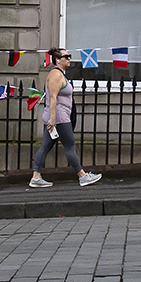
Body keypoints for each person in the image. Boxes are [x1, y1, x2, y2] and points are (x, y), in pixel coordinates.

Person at [29, 48, 101, 188]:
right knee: (69, 146)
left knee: (45, 146)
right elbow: (53, 97)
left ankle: (36, 177)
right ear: (57, 60)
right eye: (66, 57)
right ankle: (82, 176)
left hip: (56, 116)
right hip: (59, 117)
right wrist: (53, 119)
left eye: (69, 56)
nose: (69, 59)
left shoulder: (59, 74)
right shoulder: (56, 75)